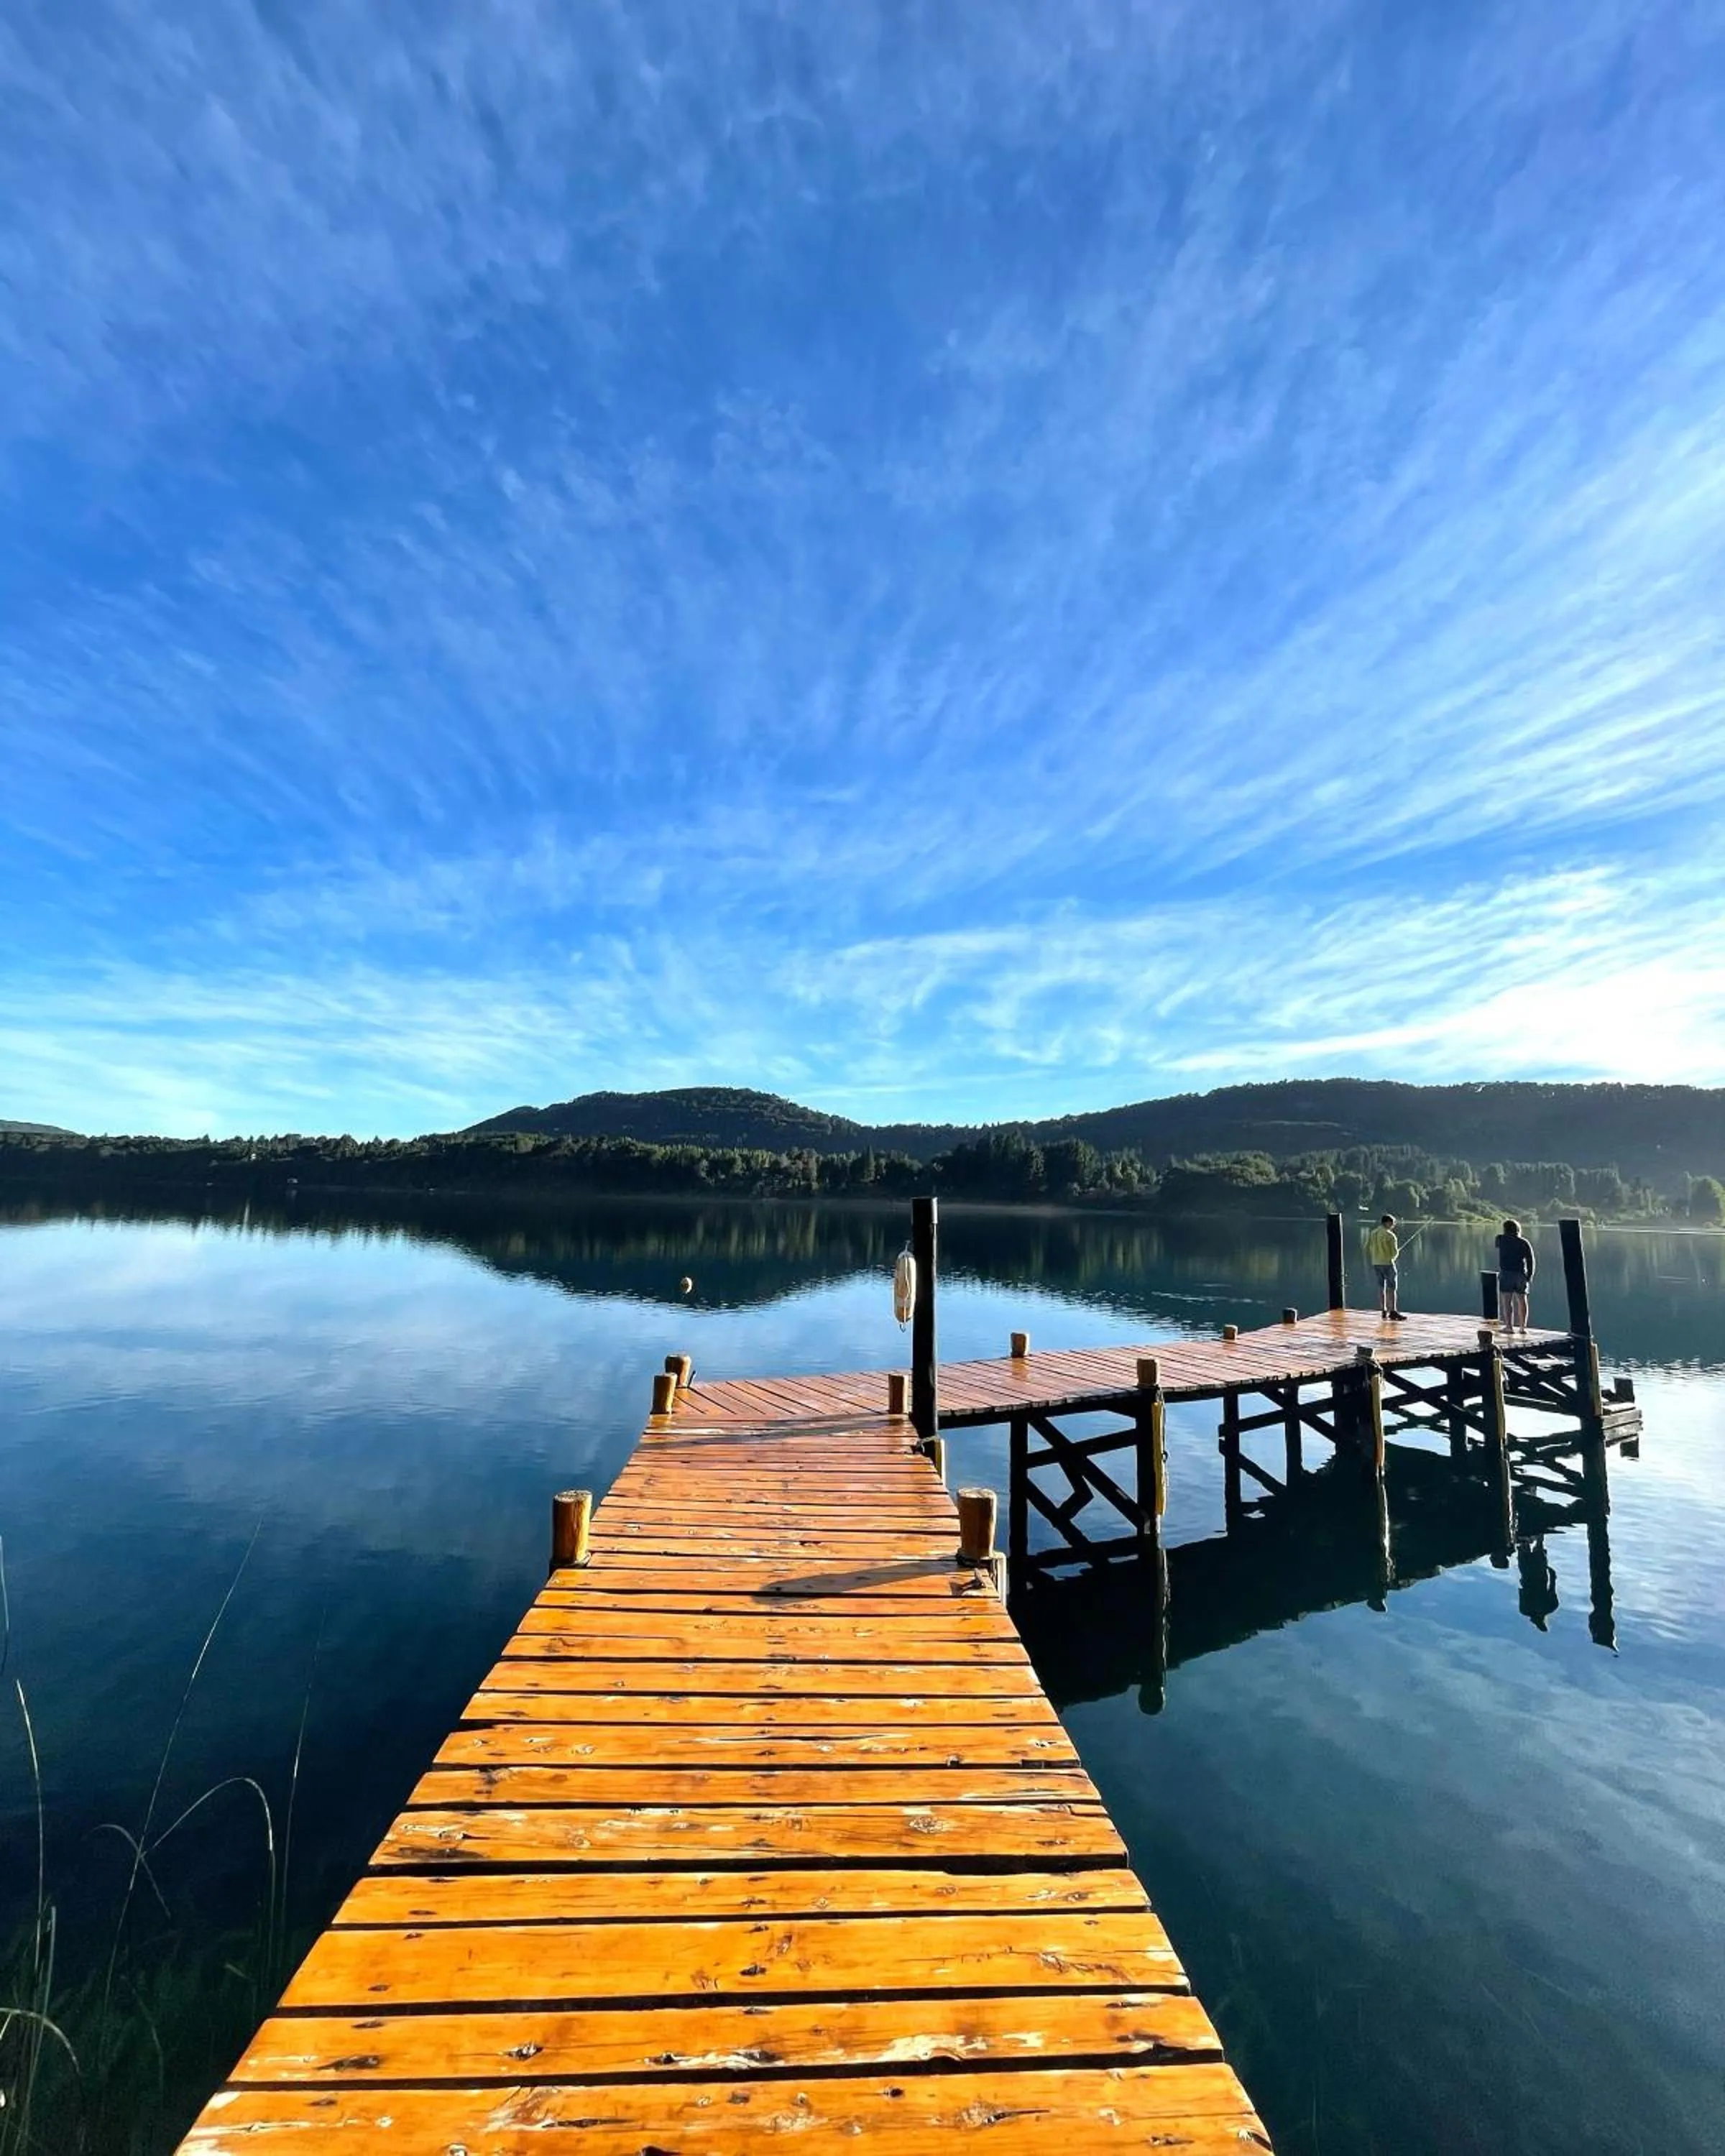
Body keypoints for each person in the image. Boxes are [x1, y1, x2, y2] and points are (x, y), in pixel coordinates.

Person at [1496, 1217, 1535, 1332]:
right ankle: (1523, 1328)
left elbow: (1497, 1245)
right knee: (1522, 1300)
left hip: (1506, 1273)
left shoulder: (1500, 1239)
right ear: (1518, 1229)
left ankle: (1509, 1327)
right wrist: (1530, 1275)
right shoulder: (1524, 1242)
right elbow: (1530, 1260)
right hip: (1520, 1274)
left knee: (1507, 1301)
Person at [1366, 1213, 1404, 1320]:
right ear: (1387, 1223)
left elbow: (1367, 1247)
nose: (1393, 1226)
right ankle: (1393, 1311)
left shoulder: (1373, 1233)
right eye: (1392, 1224)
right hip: (1387, 1263)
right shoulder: (1390, 1236)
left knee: (1381, 1286)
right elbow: (1394, 1254)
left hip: (1376, 1263)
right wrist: (1396, 1253)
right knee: (1392, 1287)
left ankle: (1383, 1309)